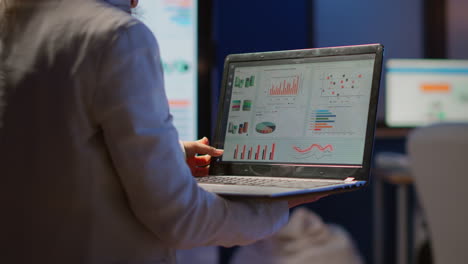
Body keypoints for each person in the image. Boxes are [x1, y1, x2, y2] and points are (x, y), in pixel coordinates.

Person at [0, 0, 322, 263]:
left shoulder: (12, 20)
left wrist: (174, 153)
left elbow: (52, 145)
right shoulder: (115, 36)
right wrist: (276, 206)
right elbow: (181, 219)